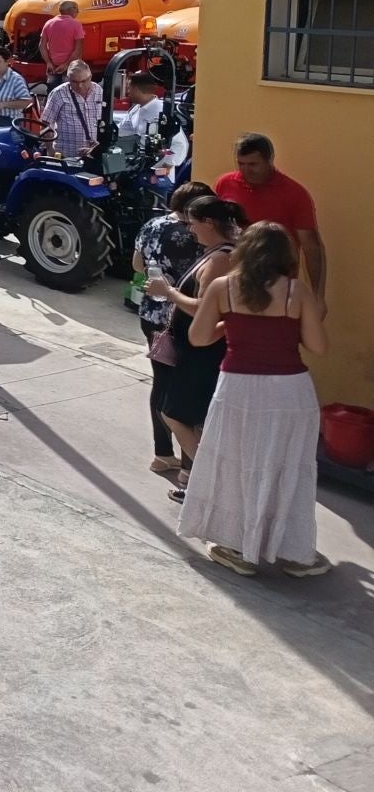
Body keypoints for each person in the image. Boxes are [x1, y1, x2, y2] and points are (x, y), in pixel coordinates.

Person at [177, 223, 330, 578]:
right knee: (287, 466)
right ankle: (293, 551)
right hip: (290, 391)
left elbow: (198, 338)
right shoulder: (297, 291)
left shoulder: (222, 288)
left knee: (236, 464)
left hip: (239, 389)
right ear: (285, 255)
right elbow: (318, 346)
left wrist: (228, 325)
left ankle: (240, 549)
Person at [149, 196, 247, 500]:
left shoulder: (221, 259)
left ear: (209, 223)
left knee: (175, 414)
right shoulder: (215, 254)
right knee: (182, 415)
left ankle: (207, 481)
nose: (190, 229)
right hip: (193, 347)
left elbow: (206, 308)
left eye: (193, 223)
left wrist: (169, 293)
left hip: (202, 351)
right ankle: (199, 479)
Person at [132, 180, 214, 474]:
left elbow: (138, 265)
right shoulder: (196, 234)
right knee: (186, 392)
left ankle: (162, 453)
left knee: (161, 383)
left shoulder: (152, 225)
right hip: (184, 320)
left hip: (152, 316)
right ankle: (189, 465)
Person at [216, 133, 327, 301]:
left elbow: (311, 246)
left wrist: (318, 296)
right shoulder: (225, 183)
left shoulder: (294, 193)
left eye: (253, 164)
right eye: (241, 164)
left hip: (276, 285)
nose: (246, 170)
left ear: (270, 160)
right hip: (232, 280)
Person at [42, 58, 104, 160]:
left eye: (84, 81)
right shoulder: (58, 93)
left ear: (91, 77)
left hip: (93, 155)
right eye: (74, 81)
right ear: (68, 79)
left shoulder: (99, 91)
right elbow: (46, 123)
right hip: (65, 156)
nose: (80, 86)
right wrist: (50, 151)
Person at [38, 0, 85, 85]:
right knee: (69, 94)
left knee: (53, 92)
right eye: (77, 9)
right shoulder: (76, 24)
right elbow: (78, 49)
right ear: (71, 10)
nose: (78, 12)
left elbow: (42, 46)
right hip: (71, 66)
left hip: (53, 66)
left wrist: (48, 62)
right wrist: (66, 64)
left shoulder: (48, 23)